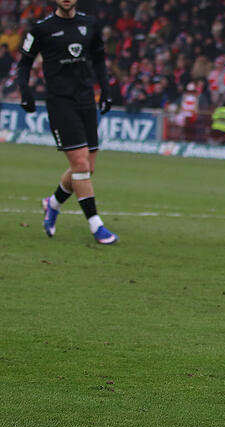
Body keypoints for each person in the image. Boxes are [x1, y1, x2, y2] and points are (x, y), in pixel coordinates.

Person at [17, 0, 117, 244]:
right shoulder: (41, 28)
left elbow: (99, 59)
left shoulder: (89, 24)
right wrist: (25, 92)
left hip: (85, 101)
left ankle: (51, 204)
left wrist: (105, 90)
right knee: (80, 164)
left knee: (86, 168)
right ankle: (97, 226)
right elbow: (24, 63)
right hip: (60, 103)